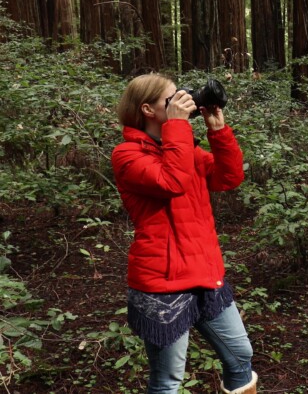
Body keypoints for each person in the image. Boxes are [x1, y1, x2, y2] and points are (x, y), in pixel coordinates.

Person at [112, 74, 257, 394]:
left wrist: (217, 130)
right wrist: (178, 126)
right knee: (168, 381)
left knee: (240, 357)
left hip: (204, 271)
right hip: (162, 282)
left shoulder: (183, 149)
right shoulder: (127, 155)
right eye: (171, 99)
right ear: (148, 110)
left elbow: (228, 177)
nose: (182, 102)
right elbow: (171, 182)